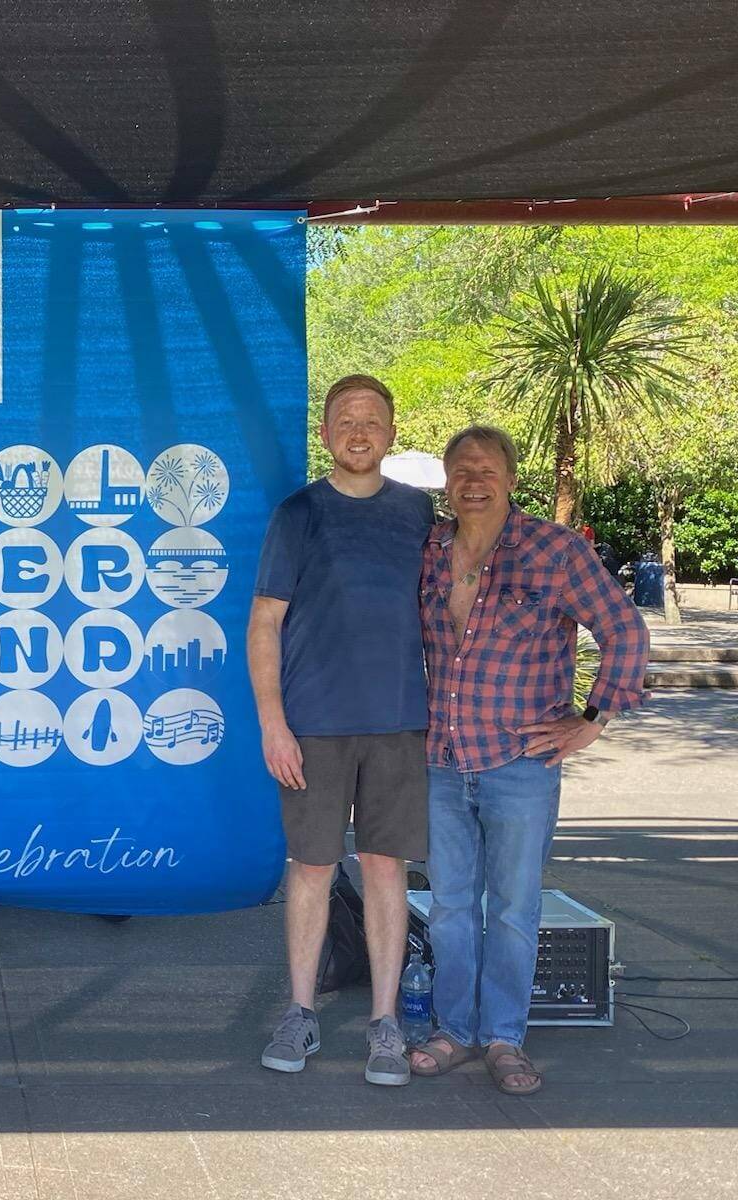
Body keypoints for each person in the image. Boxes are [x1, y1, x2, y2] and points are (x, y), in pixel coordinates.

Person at [408, 425, 648, 1095]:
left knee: (513, 907)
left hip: (520, 763)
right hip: (440, 758)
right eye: (461, 470)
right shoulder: (427, 550)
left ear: (513, 478)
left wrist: (592, 719)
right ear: (448, 483)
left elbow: (625, 632)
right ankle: (454, 1030)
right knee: (450, 905)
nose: (473, 479)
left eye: (486, 468)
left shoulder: (555, 550)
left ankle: (505, 1039)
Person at [249, 374, 436, 1086]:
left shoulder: (419, 513)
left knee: (387, 870)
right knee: (313, 870)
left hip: (399, 723)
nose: (359, 431)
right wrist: (274, 723)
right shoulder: (298, 514)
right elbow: (265, 621)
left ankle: (385, 1024)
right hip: (314, 728)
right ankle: (300, 1013)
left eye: (373, 421)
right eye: (345, 420)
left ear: (390, 433)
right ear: (325, 434)